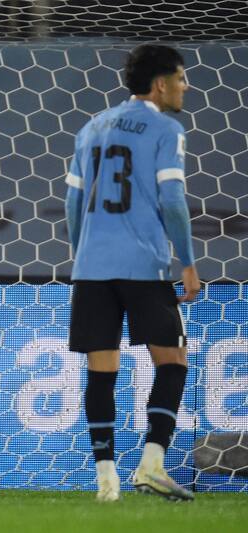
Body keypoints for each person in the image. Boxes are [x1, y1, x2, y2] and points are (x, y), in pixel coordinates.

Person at [65, 44, 200, 502]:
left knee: (101, 371)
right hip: (144, 264)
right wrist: (187, 261)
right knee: (173, 362)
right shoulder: (165, 127)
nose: (185, 86)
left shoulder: (91, 127)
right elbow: (172, 201)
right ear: (160, 84)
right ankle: (152, 464)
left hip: (91, 267)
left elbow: (71, 203)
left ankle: (106, 481)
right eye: (181, 78)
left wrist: (84, 253)